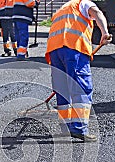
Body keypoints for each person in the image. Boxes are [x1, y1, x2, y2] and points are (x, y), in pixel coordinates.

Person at [45, 0, 111, 142]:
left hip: (55, 50)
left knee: (62, 89)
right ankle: (79, 129)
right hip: (73, 48)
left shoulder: (63, 8)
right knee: (81, 88)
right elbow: (97, 13)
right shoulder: (83, 3)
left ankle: (66, 128)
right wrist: (105, 32)